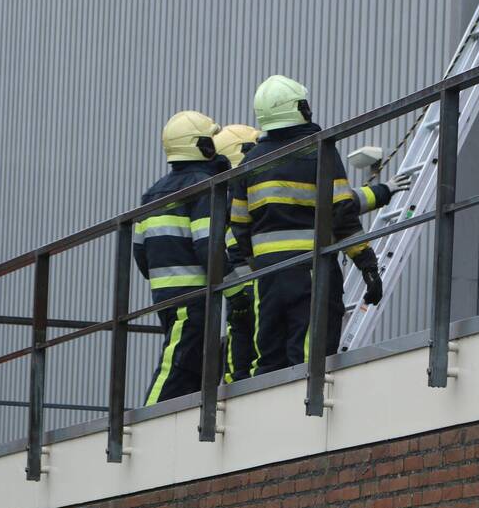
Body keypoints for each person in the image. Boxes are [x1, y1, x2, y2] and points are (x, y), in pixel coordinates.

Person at [215, 123, 413, 382]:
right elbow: (339, 205)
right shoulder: (284, 167)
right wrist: (382, 193)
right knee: (304, 350)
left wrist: (381, 191)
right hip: (296, 276)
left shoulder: (237, 191)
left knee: (263, 356)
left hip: (262, 288)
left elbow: (336, 203)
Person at [229, 75, 388, 376]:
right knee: (308, 356)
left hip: (268, 275)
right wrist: (367, 264)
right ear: (298, 108)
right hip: (311, 270)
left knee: (270, 356)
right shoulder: (319, 151)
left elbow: (238, 227)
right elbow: (341, 212)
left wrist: (263, 262)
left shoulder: (247, 166)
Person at [134, 110, 248, 404]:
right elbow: (208, 247)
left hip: (165, 292)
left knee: (193, 362)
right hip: (194, 294)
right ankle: (146, 422)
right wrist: (237, 293)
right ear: (203, 146)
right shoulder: (204, 189)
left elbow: (140, 254)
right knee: (178, 362)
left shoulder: (152, 194)